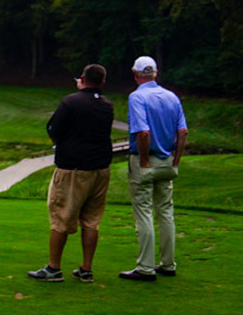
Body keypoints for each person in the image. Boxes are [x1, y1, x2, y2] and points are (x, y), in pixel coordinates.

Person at [27, 64, 114, 283]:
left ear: (83, 79)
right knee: (91, 220)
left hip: (73, 168)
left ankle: (54, 268)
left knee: (60, 217)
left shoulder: (71, 102)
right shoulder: (107, 105)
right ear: (102, 82)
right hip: (100, 168)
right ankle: (86, 269)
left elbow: (54, 131)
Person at [119, 56, 188, 281]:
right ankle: (168, 264)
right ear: (155, 73)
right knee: (166, 212)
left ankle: (146, 268)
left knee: (144, 212)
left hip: (144, 161)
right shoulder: (172, 97)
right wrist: (176, 161)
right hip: (167, 161)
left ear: (135, 73)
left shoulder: (137, 97)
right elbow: (183, 132)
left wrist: (145, 161)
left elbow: (143, 132)